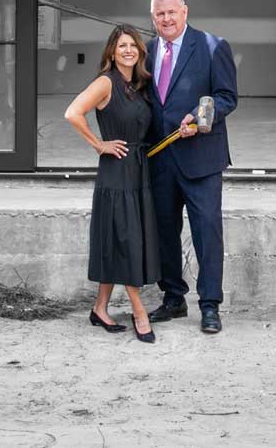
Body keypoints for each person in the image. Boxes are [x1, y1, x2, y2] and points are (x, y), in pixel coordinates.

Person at [143, 0, 237, 334]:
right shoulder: (147, 51)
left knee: (206, 234)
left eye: (171, 12)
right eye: (159, 14)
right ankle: (173, 298)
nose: (166, 19)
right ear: (153, 18)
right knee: (165, 231)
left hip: (202, 159)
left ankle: (210, 305)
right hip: (162, 159)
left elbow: (227, 98)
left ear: (184, 11)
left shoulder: (213, 47)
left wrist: (200, 118)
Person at [64, 25, 161, 343]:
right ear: (111, 51)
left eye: (133, 45)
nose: (129, 50)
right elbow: (73, 113)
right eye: (122, 46)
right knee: (127, 240)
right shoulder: (106, 82)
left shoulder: (141, 84)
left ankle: (100, 309)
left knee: (117, 239)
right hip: (116, 171)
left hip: (138, 169)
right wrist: (99, 144)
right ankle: (139, 311)